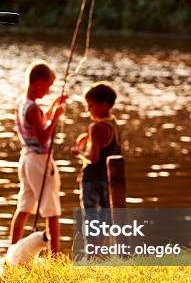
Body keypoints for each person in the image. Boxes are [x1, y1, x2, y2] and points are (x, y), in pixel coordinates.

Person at [10, 60, 66, 254]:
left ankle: (12, 250)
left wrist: (52, 108)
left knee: (24, 206)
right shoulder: (34, 109)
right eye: (48, 86)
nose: (48, 90)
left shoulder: (22, 103)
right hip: (39, 162)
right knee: (52, 210)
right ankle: (55, 256)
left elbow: (38, 124)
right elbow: (43, 138)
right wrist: (56, 117)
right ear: (39, 82)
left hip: (26, 158)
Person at [71, 81, 121, 211]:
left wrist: (79, 152)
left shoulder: (95, 127)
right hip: (108, 180)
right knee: (107, 220)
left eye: (91, 106)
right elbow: (106, 142)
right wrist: (87, 137)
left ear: (104, 105)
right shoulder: (113, 123)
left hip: (92, 181)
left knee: (91, 220)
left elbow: (93, 158)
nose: (88, 110)